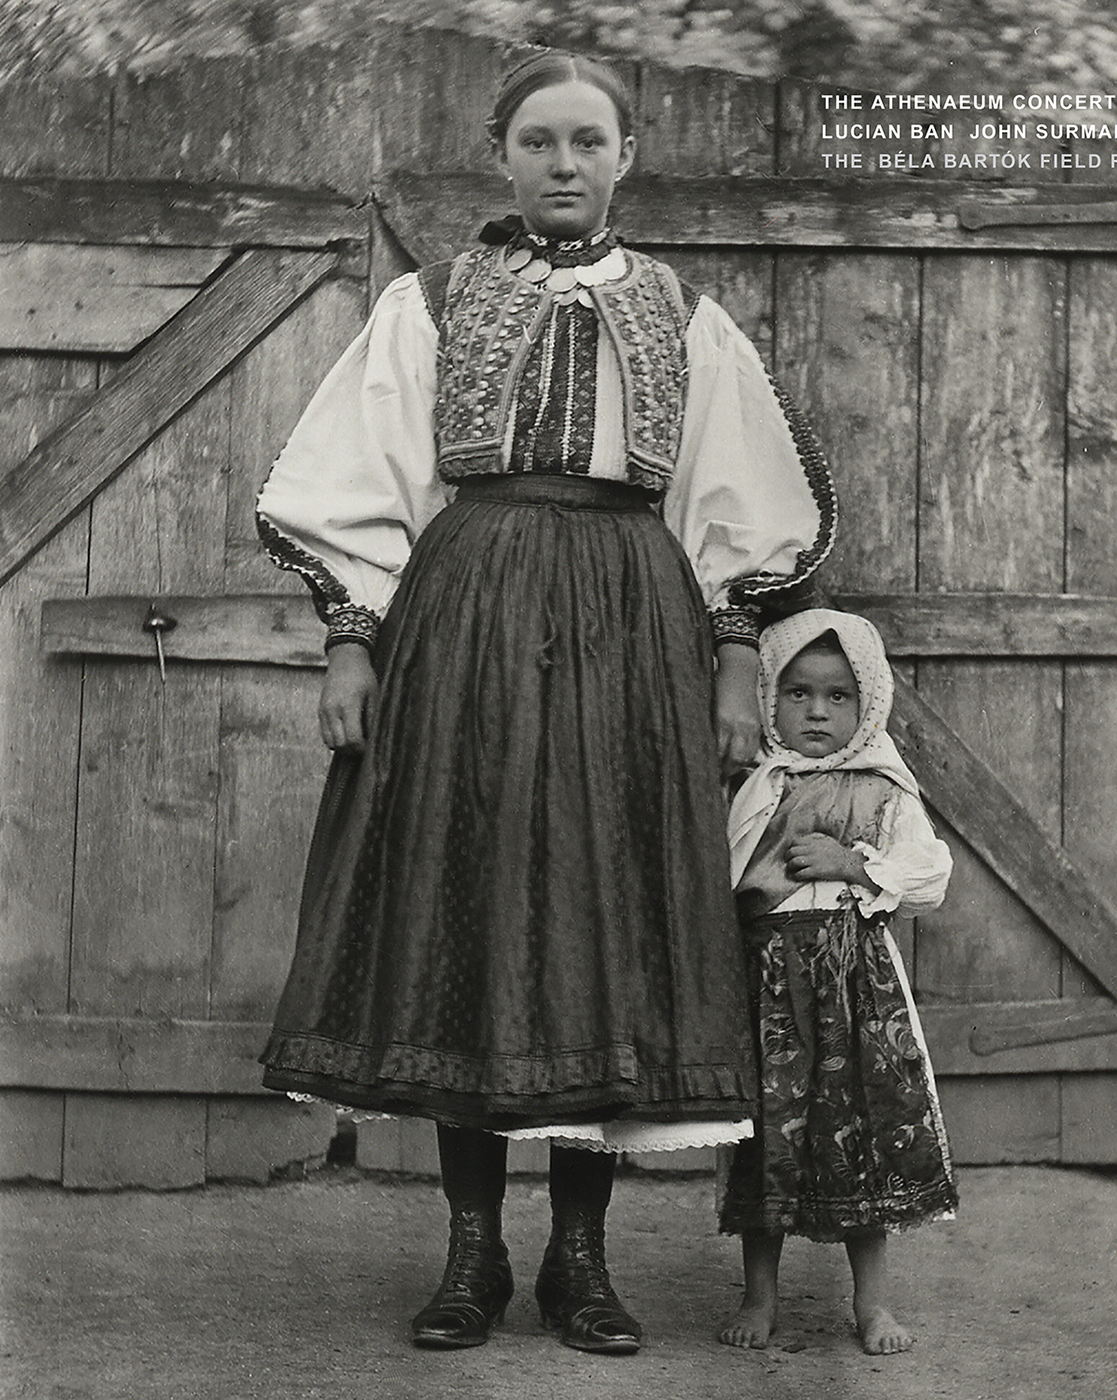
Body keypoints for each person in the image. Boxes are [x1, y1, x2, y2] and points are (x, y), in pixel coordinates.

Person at [252, 51, 836, 1356]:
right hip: (465, 626)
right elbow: (366, 478)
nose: (563, 164)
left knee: (601, 924)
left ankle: (582, 1260)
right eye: (537, 141)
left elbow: (733, 493)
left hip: (631, 628)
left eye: (586, 141)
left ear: (626, 155)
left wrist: (732, 657)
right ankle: (473, 1254)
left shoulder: (684, 315)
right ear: (500, 153)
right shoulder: (430, 303)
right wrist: (351, 643)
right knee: (467, 914)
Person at [718, 609, 957, 1356]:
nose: (817, 712)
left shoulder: (883, 785)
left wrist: (852, 863)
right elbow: (720, 875)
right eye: (797, 694)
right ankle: (760, 1297)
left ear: (868, 701)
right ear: (768, 697)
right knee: (769, 1137)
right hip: (770, 988)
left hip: (854, 990)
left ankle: (871, 1304)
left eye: (837, 696)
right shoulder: (756, 785)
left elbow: (929, 876)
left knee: (862, 1136)